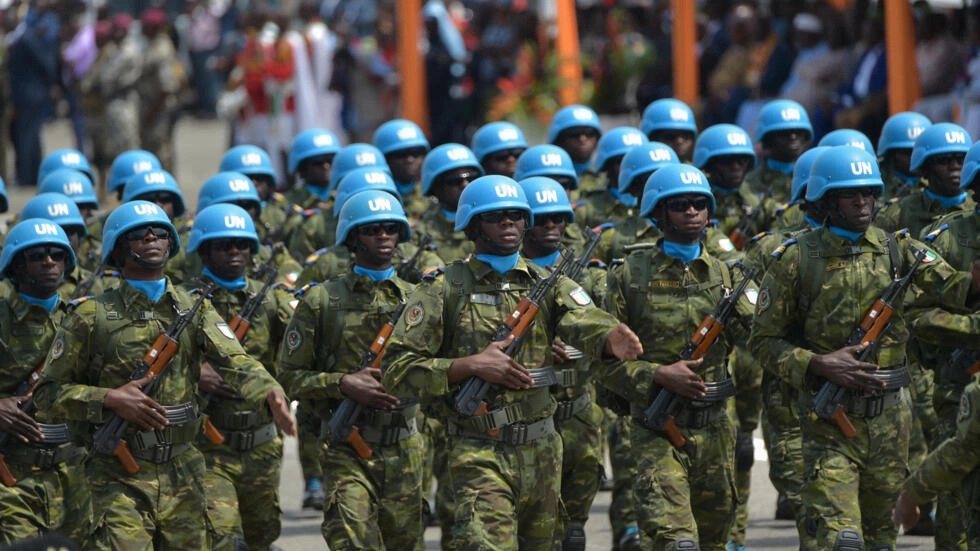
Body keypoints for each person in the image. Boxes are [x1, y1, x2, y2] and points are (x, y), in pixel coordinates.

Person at [382, 175, 642, 550]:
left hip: (543, 450)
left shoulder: (548, 283)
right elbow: (397, 370)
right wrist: (469, 366)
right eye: (495, 216)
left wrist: (609, 336)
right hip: (478, 450)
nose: (508, 222)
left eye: (516, 215)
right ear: (473, 225)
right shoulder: (443, 288)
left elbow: (583, 317)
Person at [748, 146, 979, 550]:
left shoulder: (900, 250)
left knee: (880, 540)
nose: (862, 202)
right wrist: (817, 363)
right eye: (849, 194)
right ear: (825, 200)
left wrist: (974, 282)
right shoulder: (796, 259)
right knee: (841, 538)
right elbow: (762, 341)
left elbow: (954, 287)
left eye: (869, 193)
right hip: (827, 422)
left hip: (890, 422)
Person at [33, 200, 296, 549]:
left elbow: (236, 360)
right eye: (139, 235)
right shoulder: (91, 315)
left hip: (183, 472)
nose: (151, 238)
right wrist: (109, 398)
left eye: (159, 232)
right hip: (116, 473)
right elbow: (47, 394)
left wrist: (270, 391)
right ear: (118, 249)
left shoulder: (195, 308)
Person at [602, 163, 754, 550]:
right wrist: (656, 374)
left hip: (715, 428)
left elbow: (764, 339)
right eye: (679, 204)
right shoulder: (628, 276)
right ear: (658, 212)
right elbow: (600, 364)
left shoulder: (729, 275)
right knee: (674, 540)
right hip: (655, 427)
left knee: (714, 540)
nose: (692, 211)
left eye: (700, 203)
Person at [280, 189, 426, 549]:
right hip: (345, 446)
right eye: (372, 229)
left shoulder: (421, 299)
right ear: (352, 237)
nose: (384, 236)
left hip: (405, 448)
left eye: (391, 228)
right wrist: (342, 383)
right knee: (352, 540)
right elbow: (289, 377)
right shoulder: (321, 300)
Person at [184, 203, 293, 550]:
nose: (234, 252)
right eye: (223, 245)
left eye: (242, 244)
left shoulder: (272, 299)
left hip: (261, 443)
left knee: (262, 536)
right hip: (208, 446)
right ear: (204, 250)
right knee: (222, 536)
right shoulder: (182, 303)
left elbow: (298, 358)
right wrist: (195, 373)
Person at [519, 176, 608, 551]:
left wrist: (580, 342)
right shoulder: (510, 276)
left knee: (572, 527)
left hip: (577, 411)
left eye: (559, 218)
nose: (553, 226)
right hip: (526, 413)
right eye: (543, 219)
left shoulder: (590, 274)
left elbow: (613, 329)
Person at [0, 219, 91, 544]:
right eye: (37, 255)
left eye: (57, 255)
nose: (49, 262)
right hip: (12, 474)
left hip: (76, 473)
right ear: (16, 266)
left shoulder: (86, 318)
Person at [876, 123, 975, 237]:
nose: (955, 166)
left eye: (962, 158)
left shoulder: (977, 207)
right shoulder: (898, 213)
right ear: (925, 167)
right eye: (944, 159)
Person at [414, 143, 484, 262]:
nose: (465, 184)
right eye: (455, 181)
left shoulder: (493, 220)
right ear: (436, 187)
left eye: (472, 178)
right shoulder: (420, 232)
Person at [137, 8, 184, 172]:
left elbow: (167, 87)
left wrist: (152, 113)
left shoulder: (163, 50)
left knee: (161, 151)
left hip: (160, 109)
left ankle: (165, 182)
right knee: (150, 148)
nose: (142, 28)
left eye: (145, 25)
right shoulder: (151, 45)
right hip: (151, 106)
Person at [573, 126, 648, 229]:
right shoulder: (587, 209)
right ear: (608, 165)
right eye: (622, 160)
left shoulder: (659, 206)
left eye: (638, 160)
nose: (632, 166)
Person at [743, 99, 812, 205]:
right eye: (785, 133)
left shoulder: (815, 179)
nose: (793, 137)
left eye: (799, 132)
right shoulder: (749, 185)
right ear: (767, 139)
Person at [373, 119, 433, 219]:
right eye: (400, 154)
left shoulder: (434, 194)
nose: (409, 159)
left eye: (416, 152)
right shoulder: (374, 199)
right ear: (383, 159)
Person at [876, 112, 931, 200]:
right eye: (907, 152)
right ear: (891, 153)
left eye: (919, 153)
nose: (914, 158)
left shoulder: (943, 177)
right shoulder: (876, 180)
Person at [548, 105, 603, 178]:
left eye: (590, 133)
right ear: (559, 140)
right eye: (574, 133)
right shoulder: (547, 178)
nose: (583, 139)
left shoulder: (607, 178)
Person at [640, 98, 698, 163]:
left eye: (686, 136)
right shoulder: (636, 168)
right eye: (670, 136)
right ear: (650, 138)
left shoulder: (697, 169)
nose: (680, 141)